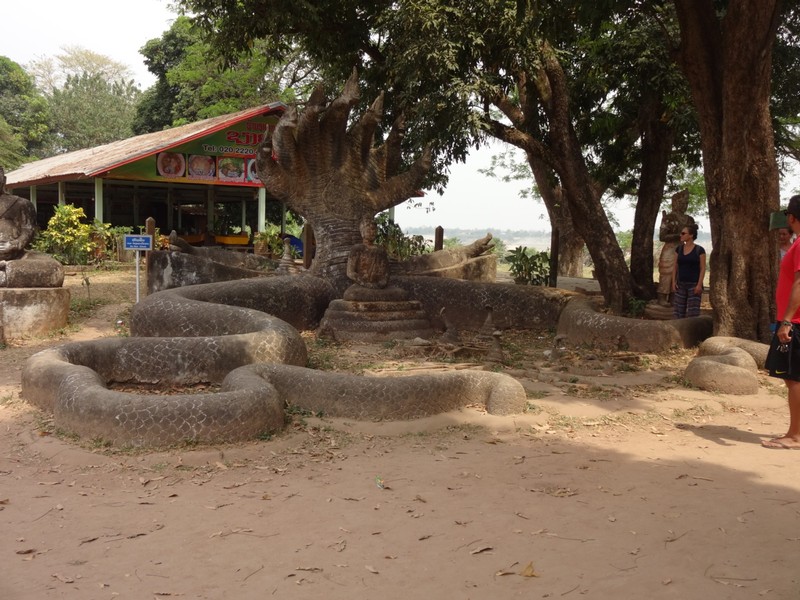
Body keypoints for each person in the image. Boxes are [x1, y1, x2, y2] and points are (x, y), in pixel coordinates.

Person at [764, 195, 800, 449]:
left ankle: (795, 435)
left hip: (794, 321)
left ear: (792, 217)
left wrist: (787, 321)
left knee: (793, 378)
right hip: (792, 319)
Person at [671, 222, 706, 318]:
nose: (680, 235)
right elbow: (675, 266)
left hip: (694, 285)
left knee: (692, 313)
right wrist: (673, 282)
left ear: (691, 235)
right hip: (681, 284)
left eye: (683, 233)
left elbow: (703, 268)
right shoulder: (679, 249)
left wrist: (699, 285)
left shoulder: (700, 250)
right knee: (678, 313)